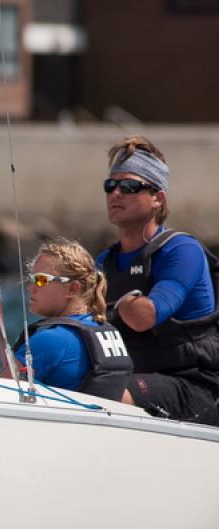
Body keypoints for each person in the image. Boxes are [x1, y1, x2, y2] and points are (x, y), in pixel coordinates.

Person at [98, 136, 219, 423]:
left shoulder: (181, 251)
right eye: (110, 186)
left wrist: (122, 304)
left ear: (157, 197)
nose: (116, 193)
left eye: (129, 186)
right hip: (138, 377)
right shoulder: (105, 262)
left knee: (103, 390)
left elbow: (144, 317)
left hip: (195, 385)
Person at [6, 237, 132, 400]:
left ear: (72, 289)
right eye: (31, 279)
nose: (30, 288)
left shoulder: (50, 340)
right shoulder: (108, 333)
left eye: (41, 280)